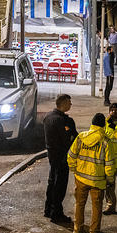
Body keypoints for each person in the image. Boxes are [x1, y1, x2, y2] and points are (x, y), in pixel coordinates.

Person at [67, 113, 115, 233]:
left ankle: (78, 230)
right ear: (103, 125)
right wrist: (110, 180)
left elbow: (71, 156)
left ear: (92, 124)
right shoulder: (105, 141)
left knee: (79, 204)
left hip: (81, 178)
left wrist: (74, 170)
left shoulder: (81, 137)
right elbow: (109, 164)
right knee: (97, 207)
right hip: (97, 181)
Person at [43, 94, 78, 222]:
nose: (70, 104)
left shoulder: (47, 117)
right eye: (69, 102)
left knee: (52, 182)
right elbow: (68, 139)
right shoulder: (62, 120)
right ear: (62, 103)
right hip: (61, 157)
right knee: (59, 185)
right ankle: (56, 213)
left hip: (52, 156)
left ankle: (48, 209)